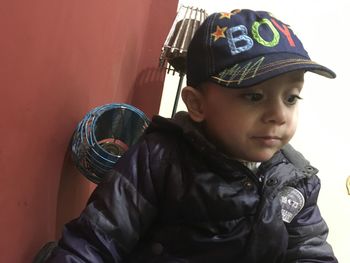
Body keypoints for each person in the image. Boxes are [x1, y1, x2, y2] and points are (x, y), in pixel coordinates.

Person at [45, 9, 338, 262]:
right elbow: (94, 241)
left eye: (291, 98)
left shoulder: (297, 180)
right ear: (197, 104)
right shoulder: (158, 160)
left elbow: (310, 252)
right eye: (254, 96)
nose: (279, 115)